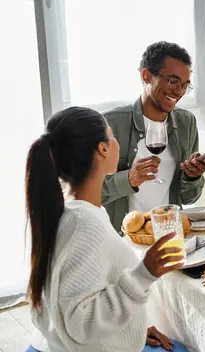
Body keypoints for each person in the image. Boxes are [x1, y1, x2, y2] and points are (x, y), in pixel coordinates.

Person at [24, 106, 188, 351]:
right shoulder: (84, 225)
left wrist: (131, 326)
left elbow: (66, 302)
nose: (116, 143)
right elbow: (81, 323)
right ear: (102, 148)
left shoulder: (70, 212)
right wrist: (144, 273)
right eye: (112, 136)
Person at [102, 41, 205, 232]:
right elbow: (89, 194)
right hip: (124, 240)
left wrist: (192, 177)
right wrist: (129, 179)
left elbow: (189, 198)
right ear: (146, 76)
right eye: (172, 81)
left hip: (170, 233)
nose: (179, 92)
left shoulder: (187, 123)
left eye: (185, 85)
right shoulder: (109, 124)